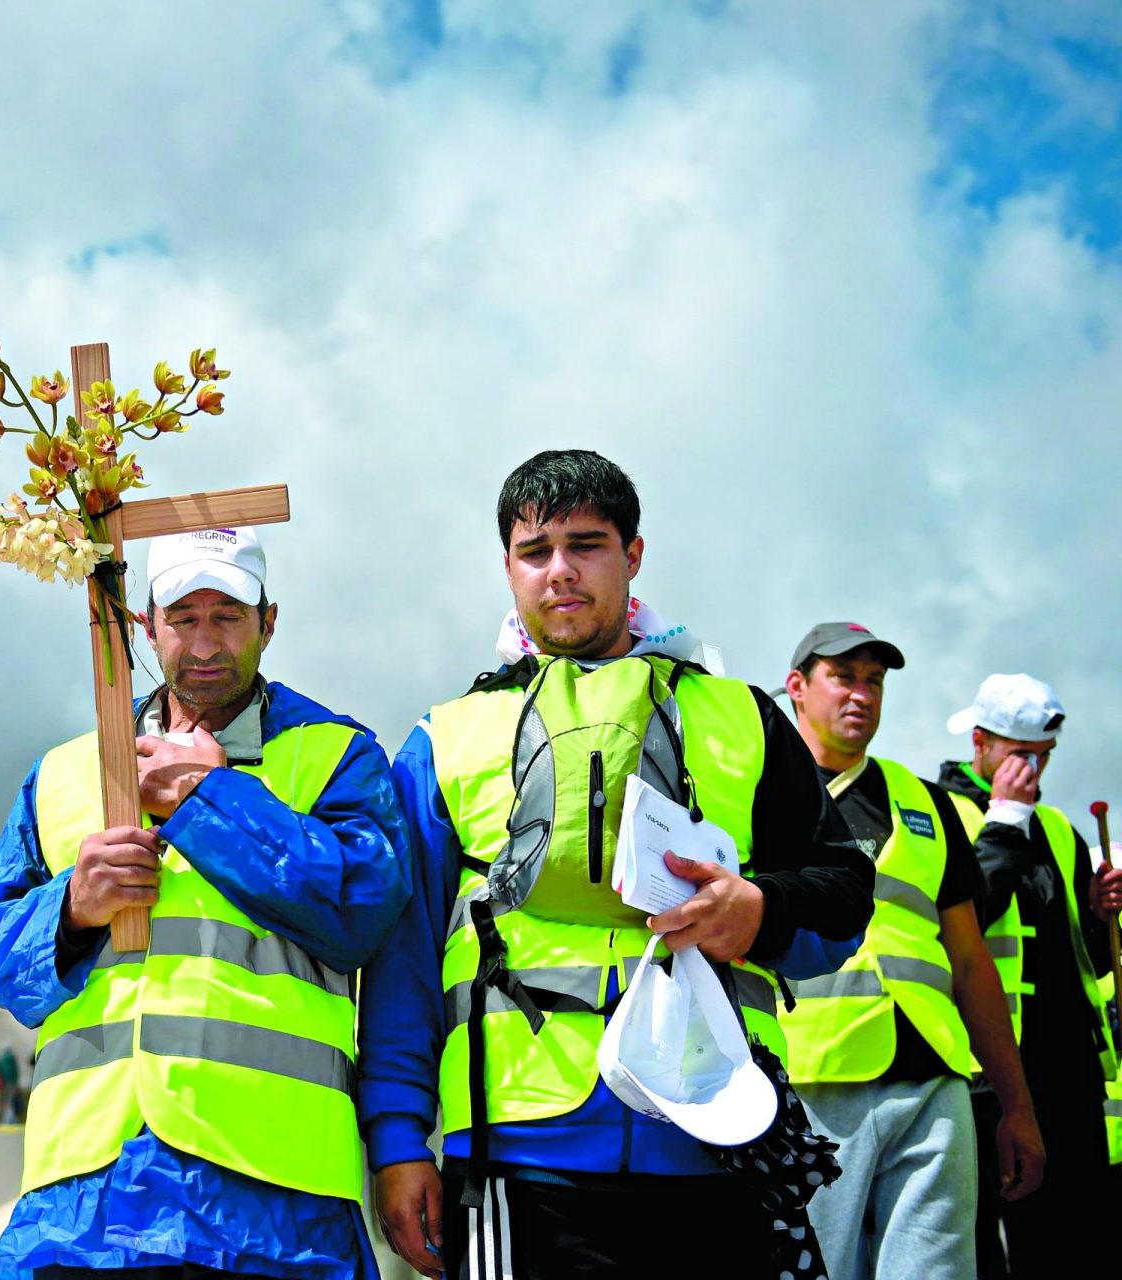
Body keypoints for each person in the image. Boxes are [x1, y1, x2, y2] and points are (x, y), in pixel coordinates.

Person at [360, 450, 875, 1280]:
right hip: (515, 1149)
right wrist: (395, 1141)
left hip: (716, 1132)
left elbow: (844, 889)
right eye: (535, 553)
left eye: (586, 545)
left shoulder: (742, 715)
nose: (559, 572)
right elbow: (404, 959)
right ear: (508, 569)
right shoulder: (444, 737)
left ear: (633, 557)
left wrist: (758, 910)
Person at [0, 526, 410, 1279]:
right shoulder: (65, 773)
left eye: (228, 617)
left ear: (269, 622)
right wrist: (72, 909)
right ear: (145, 627)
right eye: (183, 618)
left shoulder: (338, 756)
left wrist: (208, 798)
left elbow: (363, 910)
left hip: (275, 1202)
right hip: (83, 1206)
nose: (205, 644)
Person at [779, 625, 1043, 1279]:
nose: (862, 694)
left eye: (875, 680)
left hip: (933, 1083)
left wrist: (1017, 1108)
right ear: (797, 689)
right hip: (807, 1083)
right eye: (843, 676)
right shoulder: (759, 797)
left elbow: (971, 962)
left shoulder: (926, 802)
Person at [936, 674, 1122, 1276]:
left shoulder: (1060, 830)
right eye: (1020, 756)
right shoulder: (947, 813)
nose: (1033, 773)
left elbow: (1074, 952)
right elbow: (964, 920)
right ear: (981, 743)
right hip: (993, 1073)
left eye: (1043, 758)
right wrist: (1006, 819)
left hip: (1070, 1071)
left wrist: (1097, 914)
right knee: (995, 1245)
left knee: (1080, 1239)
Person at [0, 1044, 20, 1125]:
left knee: (0, 1102)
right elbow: (17, 1072)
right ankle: (9, 1120)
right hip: (12, 1084)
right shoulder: (13, 1060)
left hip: (2, 1084)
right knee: (10, 1102)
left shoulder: (1, 1059)